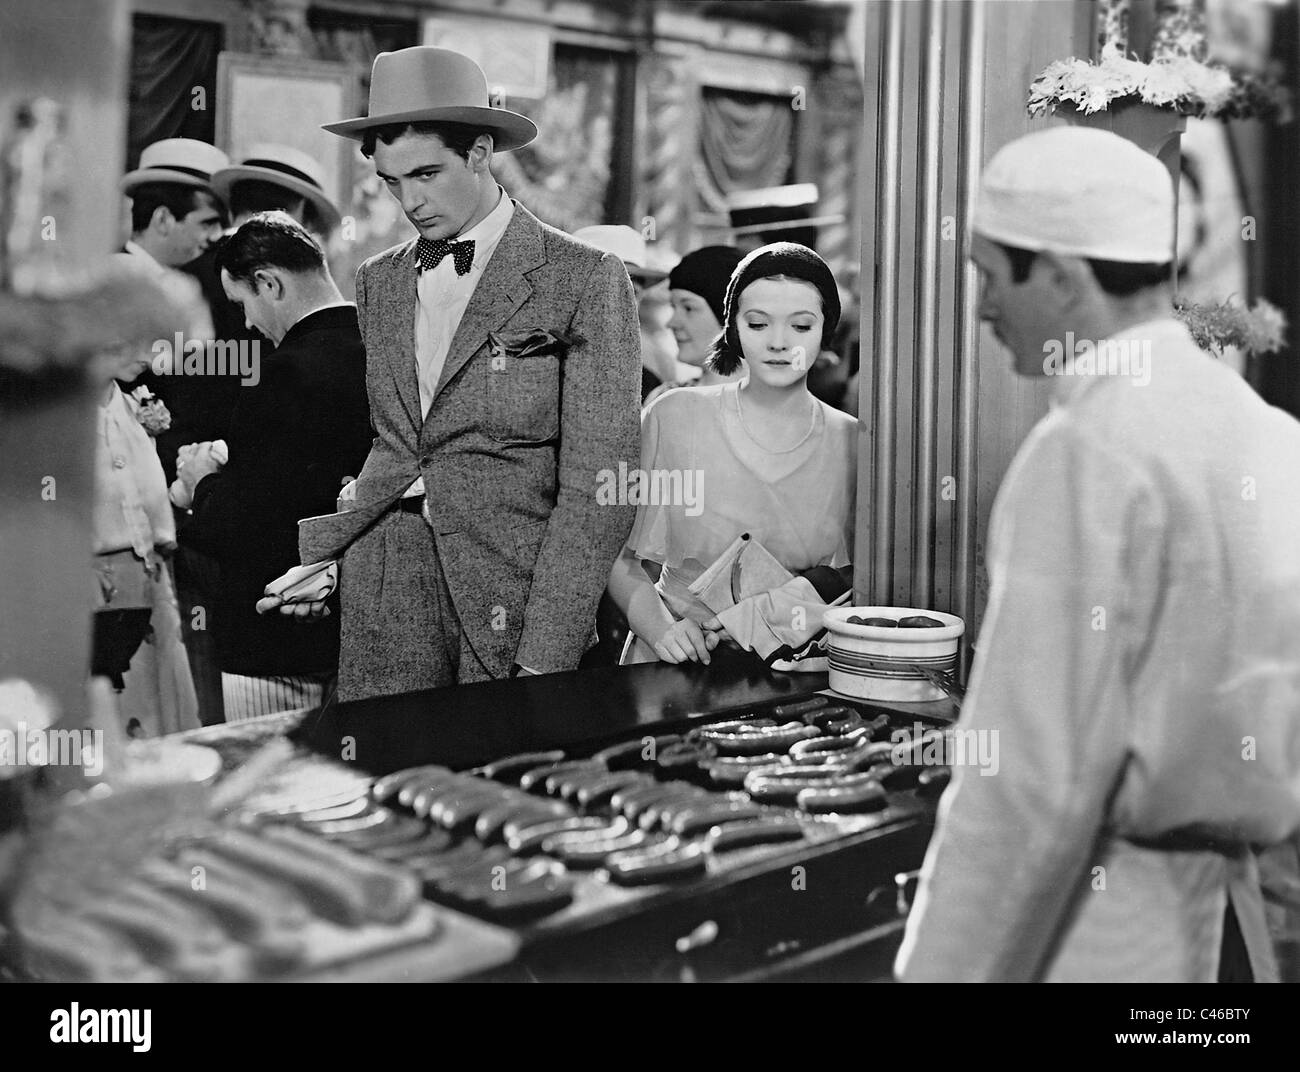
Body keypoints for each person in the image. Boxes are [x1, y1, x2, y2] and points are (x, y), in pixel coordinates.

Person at [895, 127, 1300, 983]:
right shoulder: (1270, 434)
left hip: (1095, 932)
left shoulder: (1085, 451)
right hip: (1230, 932)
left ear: (1066, 280)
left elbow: (1031, 790)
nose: (981, 309)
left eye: (989, 275)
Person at [281, 46, 639, 700]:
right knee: (386, 787)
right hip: (387, 587)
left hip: (516, 598)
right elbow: (395, 447)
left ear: (479, 151)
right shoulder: (377, 281)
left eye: (426, 173)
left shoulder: (584, 278)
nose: (410, 202)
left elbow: (601, 487)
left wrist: (547, 654)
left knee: (501, 791)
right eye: (392, 182)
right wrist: (332, 554)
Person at [608, 242, 857, 667]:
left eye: (800, 326)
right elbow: (619, 558)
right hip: (671, 663)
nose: (779, 343)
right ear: (734, 328)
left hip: (790, 668)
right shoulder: (675, 415)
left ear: (824, 330)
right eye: (758, 324)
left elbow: (855, 579)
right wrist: (661, 628)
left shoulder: (850, 441)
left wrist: (769, 615)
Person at [175, 213, 371, 721]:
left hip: (275, 639)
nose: (246, 323)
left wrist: (204, 485)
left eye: (243, 304)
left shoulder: (281, 375)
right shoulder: (388, 353)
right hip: (365, 629)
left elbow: (248, 525)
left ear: (269, 282)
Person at [90, 312, 200, 738]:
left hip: (152, 571)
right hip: (97, 578)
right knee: (115, 702)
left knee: (163, 696)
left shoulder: (131, 404)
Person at [572, 224, 676, 403]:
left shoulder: (649, 384)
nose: (619, 303)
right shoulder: (534, 363)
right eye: (605, 288)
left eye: (632, 293)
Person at [643, 245, 747, 405]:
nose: (672, 323)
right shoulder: (663, 399)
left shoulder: (779, 404)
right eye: (673, 306)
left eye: (688, 308)